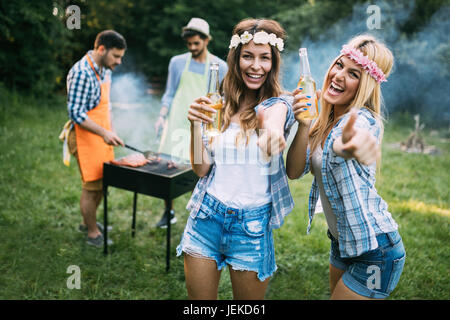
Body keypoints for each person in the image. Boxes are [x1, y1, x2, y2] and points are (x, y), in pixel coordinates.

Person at [176, 18, 295, 300]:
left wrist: (273, 135)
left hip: (251, 228)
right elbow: (201, 168)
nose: (256, 66)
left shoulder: (281, 102)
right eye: (248, 56)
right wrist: (194, 124)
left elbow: (274, 121)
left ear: (274, 62)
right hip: (206, 216)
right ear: (236, 58)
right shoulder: (218, 102)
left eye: (264, 58)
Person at [286, 34, 406, 299]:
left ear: (364, 87)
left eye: (352, 74)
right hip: (343, 244)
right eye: (339, 65)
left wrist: (351, 145)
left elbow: (347, 141)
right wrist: (304, 124)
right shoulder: (323, 118)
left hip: (376, 250)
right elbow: (294, 171)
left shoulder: (363, 121)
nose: (339, 75)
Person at [154, 18, 227, 228]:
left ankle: (202, 215)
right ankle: (169, 212)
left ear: (206, 40)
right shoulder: (177, 62)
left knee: (202, 170)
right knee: (169, 169)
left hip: (205, 126)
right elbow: (169, 93)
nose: (192, 48)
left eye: (196, 43)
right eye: (189, 44)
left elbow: (224, 101)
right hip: (177, 121)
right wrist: (161, 115)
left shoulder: (220, 66)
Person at [66, 30, 126, 247]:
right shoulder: (82, 73)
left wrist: (112, 130)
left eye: (120, 57)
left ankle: (87, 221)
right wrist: (104, 132)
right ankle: (92, 233)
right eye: (116, 56)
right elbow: (76, 114)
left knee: (102, 183)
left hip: (102, 136)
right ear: (102, 49)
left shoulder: (105, 69)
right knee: (91, 187)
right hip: (84, 138)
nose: (118, 62)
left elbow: (105, 106)